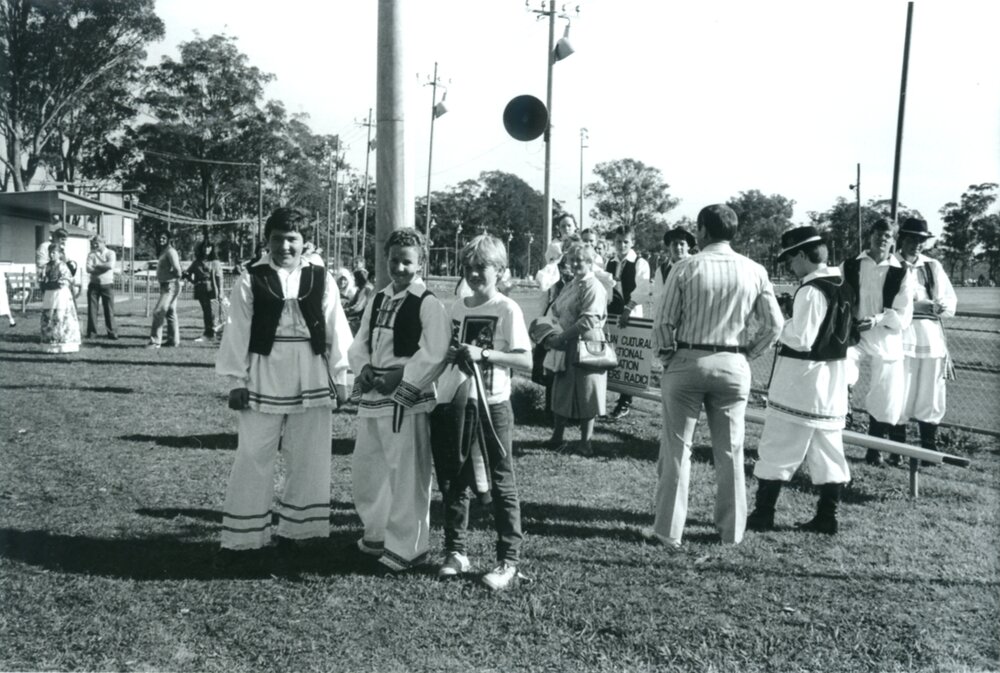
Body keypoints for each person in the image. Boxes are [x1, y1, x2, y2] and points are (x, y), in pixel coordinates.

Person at [214, 208, 351, 561]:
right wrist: (236, 380)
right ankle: (245, 535)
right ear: (267, 241)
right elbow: (237, 329)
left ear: (305, 244)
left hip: (311, 372)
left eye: (292, 239)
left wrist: (342, 375)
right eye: (278, 239)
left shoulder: (322, 278)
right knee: (253, 453)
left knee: (309, 454)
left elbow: (337, 327)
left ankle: (300, 530)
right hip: (264, 372)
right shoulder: (251, 277)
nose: (285, 246)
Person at [649, 204, 783, 548]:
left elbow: (663, 323)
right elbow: (774, 325)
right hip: (733, 363)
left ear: (702, 231)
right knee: (731, 451)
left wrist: (667, 358)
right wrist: (746, 354)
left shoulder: (685, 267)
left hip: (688, 360)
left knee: (677, 450)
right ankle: (732, 531)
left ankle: (668, 531)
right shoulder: (754, 270)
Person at [431, 234, 532, 590]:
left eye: (482, 267)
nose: (474, 274)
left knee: (502, 480)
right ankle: (456, 550)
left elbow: (525, 359)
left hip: (494, 406)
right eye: (469, 267)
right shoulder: (459, 306)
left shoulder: (507, 308)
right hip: (459, 402)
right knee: (455, 476)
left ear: (500, 270)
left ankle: (509, 560)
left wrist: (485, 355)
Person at [348, 227, 450, 573]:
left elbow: (435, 351)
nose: (400, 268)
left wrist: (400, 376)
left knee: (407, 473)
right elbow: (360, 339)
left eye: (407, 262)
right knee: (370, 467)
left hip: (405, 398)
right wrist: (362, 368)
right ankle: (376, 532)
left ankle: (407, 546)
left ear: (420, 263)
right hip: (374, 393)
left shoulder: (427, 302)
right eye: (394, 260)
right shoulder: (378, 298)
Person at [747, 227, 856, 535]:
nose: (789, 267)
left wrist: (777, 323)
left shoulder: (810, 290)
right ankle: (826, 515)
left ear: (801, 255)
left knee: (778, 445)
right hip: (832, 380)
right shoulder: (844, 286)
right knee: (828, 451)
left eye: (789, 260)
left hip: (802, 382)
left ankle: (763, 513)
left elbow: (802, 338)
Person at [842, 218, 915, 466]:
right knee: (842, 367)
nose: (882, 238)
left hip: (886, 335)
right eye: (878, 233)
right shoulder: (851, 265)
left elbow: (904, 315)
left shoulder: (902, 271)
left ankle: (874, 450)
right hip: (855, 335)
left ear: (893, 241)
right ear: (870, 235)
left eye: (887, 235)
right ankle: (844, 412)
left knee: (885, 395)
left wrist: (878, 319)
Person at [895, 217, 956, 459]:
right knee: (901, 391)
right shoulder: (892, 265)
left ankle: (929, 447)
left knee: (930, 393)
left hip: (931, 339)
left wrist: (940, 307)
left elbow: (950, 302)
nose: (916, 245)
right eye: (911, 239)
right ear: (902, 240)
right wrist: (915, 306)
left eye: (921, 240)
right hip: (902, 335)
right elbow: (884, 302)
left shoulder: (932, 266)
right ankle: (896, 448)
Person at [540, 241, 609, 457]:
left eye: (582, 260)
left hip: (588, 345)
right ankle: (557, 436)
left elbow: (588, 321)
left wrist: (561, 337)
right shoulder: (572, 284)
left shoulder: (593, 286)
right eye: (573, 260)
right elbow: (557, 308)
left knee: (588, 392)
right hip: (566, 344)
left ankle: (585, 442)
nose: (577, 263)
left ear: (590, 262)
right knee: (562, 389)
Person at [604, 225, 652, 421]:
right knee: (613, 354)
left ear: (632, 243)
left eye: (626, 242)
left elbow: (642, 288)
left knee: (629, 358)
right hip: (612, 314)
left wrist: (628, 308)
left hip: (631, 313)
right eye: (618, 242)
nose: (622, 245)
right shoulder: (610, 262)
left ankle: (625, 401)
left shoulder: (640, 263)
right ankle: (607, 396)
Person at [39, 244, 82, 354]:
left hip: (60, 294)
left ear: (59, 254)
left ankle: (64, 344)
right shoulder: (46, 266)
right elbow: (41, 280)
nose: (52, 255)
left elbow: (65, 281)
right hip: (49, 295)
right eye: (50, 252)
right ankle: (50, 344)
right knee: (49, 317)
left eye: (54, 252)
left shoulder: (62, 266)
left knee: (60, 317)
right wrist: (44, 284)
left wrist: (52, 283)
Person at [183, 240, 224, 343]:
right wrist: (192, 281)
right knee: (206, 312)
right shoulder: (196, 262)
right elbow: (187, 273)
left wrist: (221, 291)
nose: (207, 250)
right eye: (205, 247)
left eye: (209, 247)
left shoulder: (215, 262)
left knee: (213, 312)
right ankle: (208, 333)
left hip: (212, 289)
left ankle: (214, 333)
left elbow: (220, 278)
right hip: (200, 289)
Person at [147, 230, 182, 348]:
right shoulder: (164, 251)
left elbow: (178, 270)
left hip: (170, 286)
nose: (161, 240)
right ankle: (173, 341)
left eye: (163, 238)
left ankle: (155, 342)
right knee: (171, 313)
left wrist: (171, 278)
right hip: (166, 286)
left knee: (158, 312)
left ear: (169, 239)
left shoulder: (171, 252)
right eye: (159, 238)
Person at [84, 235, 118, 340]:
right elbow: (88, 268)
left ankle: (112, 333)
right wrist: (102, 267)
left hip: (107, 285)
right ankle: (92, 333)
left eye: (97, 242)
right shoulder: (91, 254)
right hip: (94, 285)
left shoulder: (111, 253)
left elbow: (110, 266)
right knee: (92, 310)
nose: (95, 244)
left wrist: (96, 266)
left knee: (109, 310)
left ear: (104, 243)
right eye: (94, 242)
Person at [344, 268, 375, 335]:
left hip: (360, 321)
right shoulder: (360, 289)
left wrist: (345, 311)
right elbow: (352, 303)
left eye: (355, 279)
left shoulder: (366, 289)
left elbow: (358, 307)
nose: (354, 281)